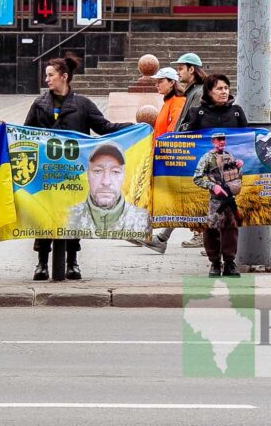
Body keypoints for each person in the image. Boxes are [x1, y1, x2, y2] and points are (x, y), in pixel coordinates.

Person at [23, 54, 132, 281]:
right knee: (45, 217)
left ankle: (72, 262)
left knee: (73, 218)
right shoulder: (39, 104)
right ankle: (42, 262)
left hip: (74, 173)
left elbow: (104, 127)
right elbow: (24, 134)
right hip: (46, 174)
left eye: (50, 75)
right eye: (46, 76)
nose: (47, 80)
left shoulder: (82, 104)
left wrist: (133, 127)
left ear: (64, 77)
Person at [142, 67, 188, 256]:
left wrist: (162, 151)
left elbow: (172, 130)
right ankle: (153, 235)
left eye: (161, 81)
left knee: (174, 199)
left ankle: (151, 234)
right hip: (164, 156)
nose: (157, 84)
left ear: (171, 82)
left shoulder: (177, 102)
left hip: (169, 158)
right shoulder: (169, 102)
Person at [66, 143, 149, 238]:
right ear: (87, 175)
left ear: (124, 176)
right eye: (97, 171)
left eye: (115, 172)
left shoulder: (142, 219)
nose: (106, 182)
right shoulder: (66, 217)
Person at [193, 130, 243, 278]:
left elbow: (234, 176)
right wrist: (213, 186)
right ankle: (215, 263)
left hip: (229, 200)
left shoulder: (229, 156)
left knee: (231, 231)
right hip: (216, 200)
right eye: (218, 139)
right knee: (212, 230)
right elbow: (197, 177)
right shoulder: (207, 158)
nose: (222, 142)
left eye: (223, 139)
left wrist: (239, 166)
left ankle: (229, 263)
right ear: (213, 141)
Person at [171, 53, 208, 131]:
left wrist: (179, 131)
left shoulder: (199, 92)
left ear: (191, 69)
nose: (177, 73)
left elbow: (193, 124)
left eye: (180, 69)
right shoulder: (194, 90)